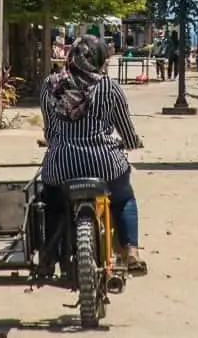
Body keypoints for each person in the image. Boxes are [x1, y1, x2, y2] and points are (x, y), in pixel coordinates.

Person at [39, 36, 147, 274]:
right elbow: (127, 133)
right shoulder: (110, 87)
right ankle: (131, 252)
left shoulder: (50, 85)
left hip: (61, 166)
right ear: (99, 59)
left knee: (52, 203)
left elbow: (49, 131)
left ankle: (48, 253)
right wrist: (132, 142)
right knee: (124, 199)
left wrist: (56, 140)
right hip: (106, 166)